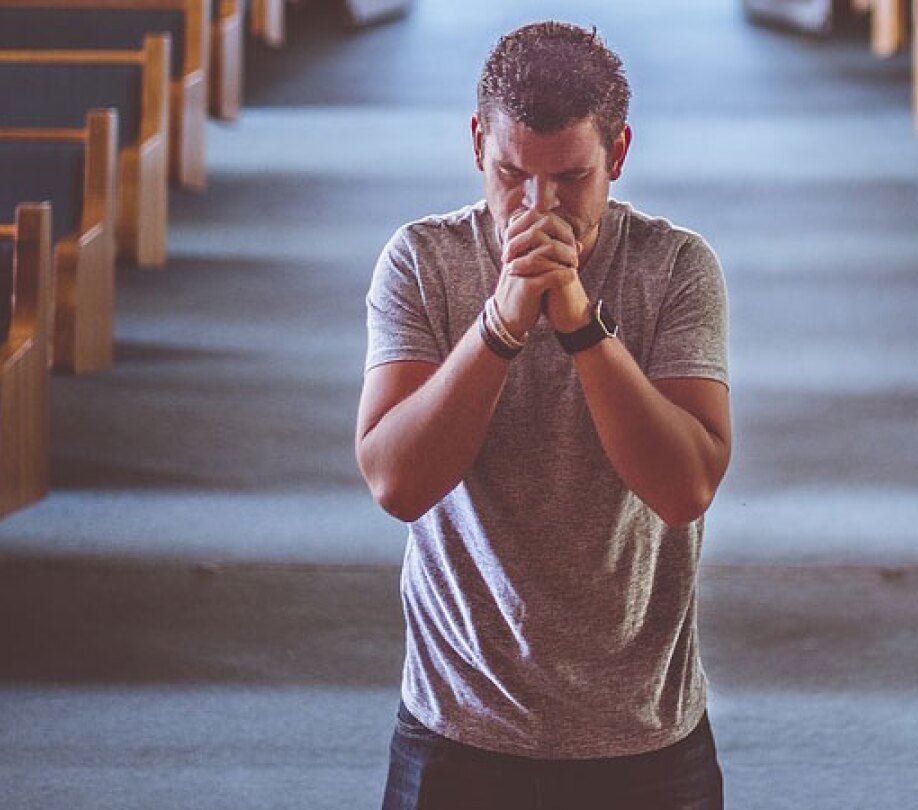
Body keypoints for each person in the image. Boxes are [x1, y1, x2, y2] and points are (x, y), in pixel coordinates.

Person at [356, 20, 731, 810]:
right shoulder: (423, 262)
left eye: (570, 179)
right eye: (511, 174)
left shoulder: (675, 268)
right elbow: (396, 484)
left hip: (644, 732)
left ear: (618, 155)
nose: (536, 208)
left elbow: (685, 487)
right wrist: (500, 323)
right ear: (476, 145)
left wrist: (579, 325)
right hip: (458, 724)